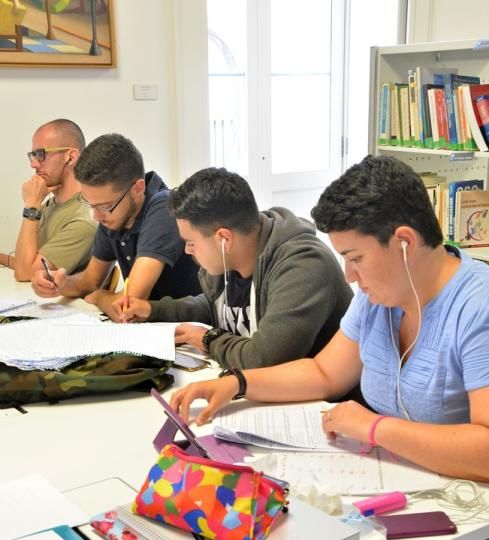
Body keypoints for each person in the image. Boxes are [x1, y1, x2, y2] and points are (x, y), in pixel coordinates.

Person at [169, 155, 489, 540]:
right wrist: (239, 383)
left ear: (405, 243)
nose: (349, 276)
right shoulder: (379, 295)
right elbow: (324, 372)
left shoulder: (476, 306)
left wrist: (374, 428)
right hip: (401, 507)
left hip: (468, 535)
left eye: (355, 257)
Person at [112, 167, 353, 369]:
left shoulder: (303, 265)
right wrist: (153, 310)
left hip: (318, 409)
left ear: (223, 239)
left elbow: (264, 359)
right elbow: (214, 305)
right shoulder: (230, 258)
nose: (187, 250)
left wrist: (209, 339)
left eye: (191, 242)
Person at [31, 133, 200, 319]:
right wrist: (61, 283)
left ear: (137, 188)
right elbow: (91, 280)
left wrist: (100, 297)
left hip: (185, 330)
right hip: (149, 329)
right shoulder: (114, 213)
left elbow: (128, 304)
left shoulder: (164, 208)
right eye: (90, 204)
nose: (96, 216)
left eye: (105, 206)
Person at [0, 119, 96, 280]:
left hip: (58, 304)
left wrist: (31, 205)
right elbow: (26, 262)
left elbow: (25, 274)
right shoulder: (51, 204)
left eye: (41, 154)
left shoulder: (84, 220)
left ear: (70, 157)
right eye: (33, 155)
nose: (34, 164)